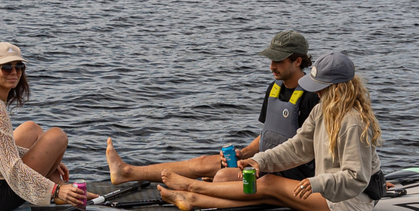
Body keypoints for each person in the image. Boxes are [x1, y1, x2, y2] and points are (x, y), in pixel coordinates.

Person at [158, 52, 382, 211]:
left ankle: (192, 188)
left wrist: (316, 183)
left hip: (350, 203)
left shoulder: (353, 122)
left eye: (321, 87)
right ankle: (192, 200)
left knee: (269, 184)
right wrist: (260, 160)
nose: (316, 92)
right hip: (331, 192)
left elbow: (356, 178)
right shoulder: (323, 110)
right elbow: (297, 147)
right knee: (266, 196)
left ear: (339, 88)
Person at [105, 30, 320, 185]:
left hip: (285, 172)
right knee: (205, 162)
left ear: (298, 61)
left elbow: (310, 147)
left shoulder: (312, 96)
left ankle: (190, 188)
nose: (271, 66)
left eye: (278, 61)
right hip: (259, 162)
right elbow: (269, 133)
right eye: (270, 59)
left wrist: (259, 162)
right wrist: (243, 152)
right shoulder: (274, 88)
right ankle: (127, 172)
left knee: (221, 176)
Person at [0, 42, 88, 211]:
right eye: (6, 67)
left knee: (31, 128)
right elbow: (11, 168)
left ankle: (62, 186)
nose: (14, 72)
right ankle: (62, 191)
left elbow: (0, 151)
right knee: (57, 136)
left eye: (19, 66)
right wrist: (54, 190)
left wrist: (49, 157)